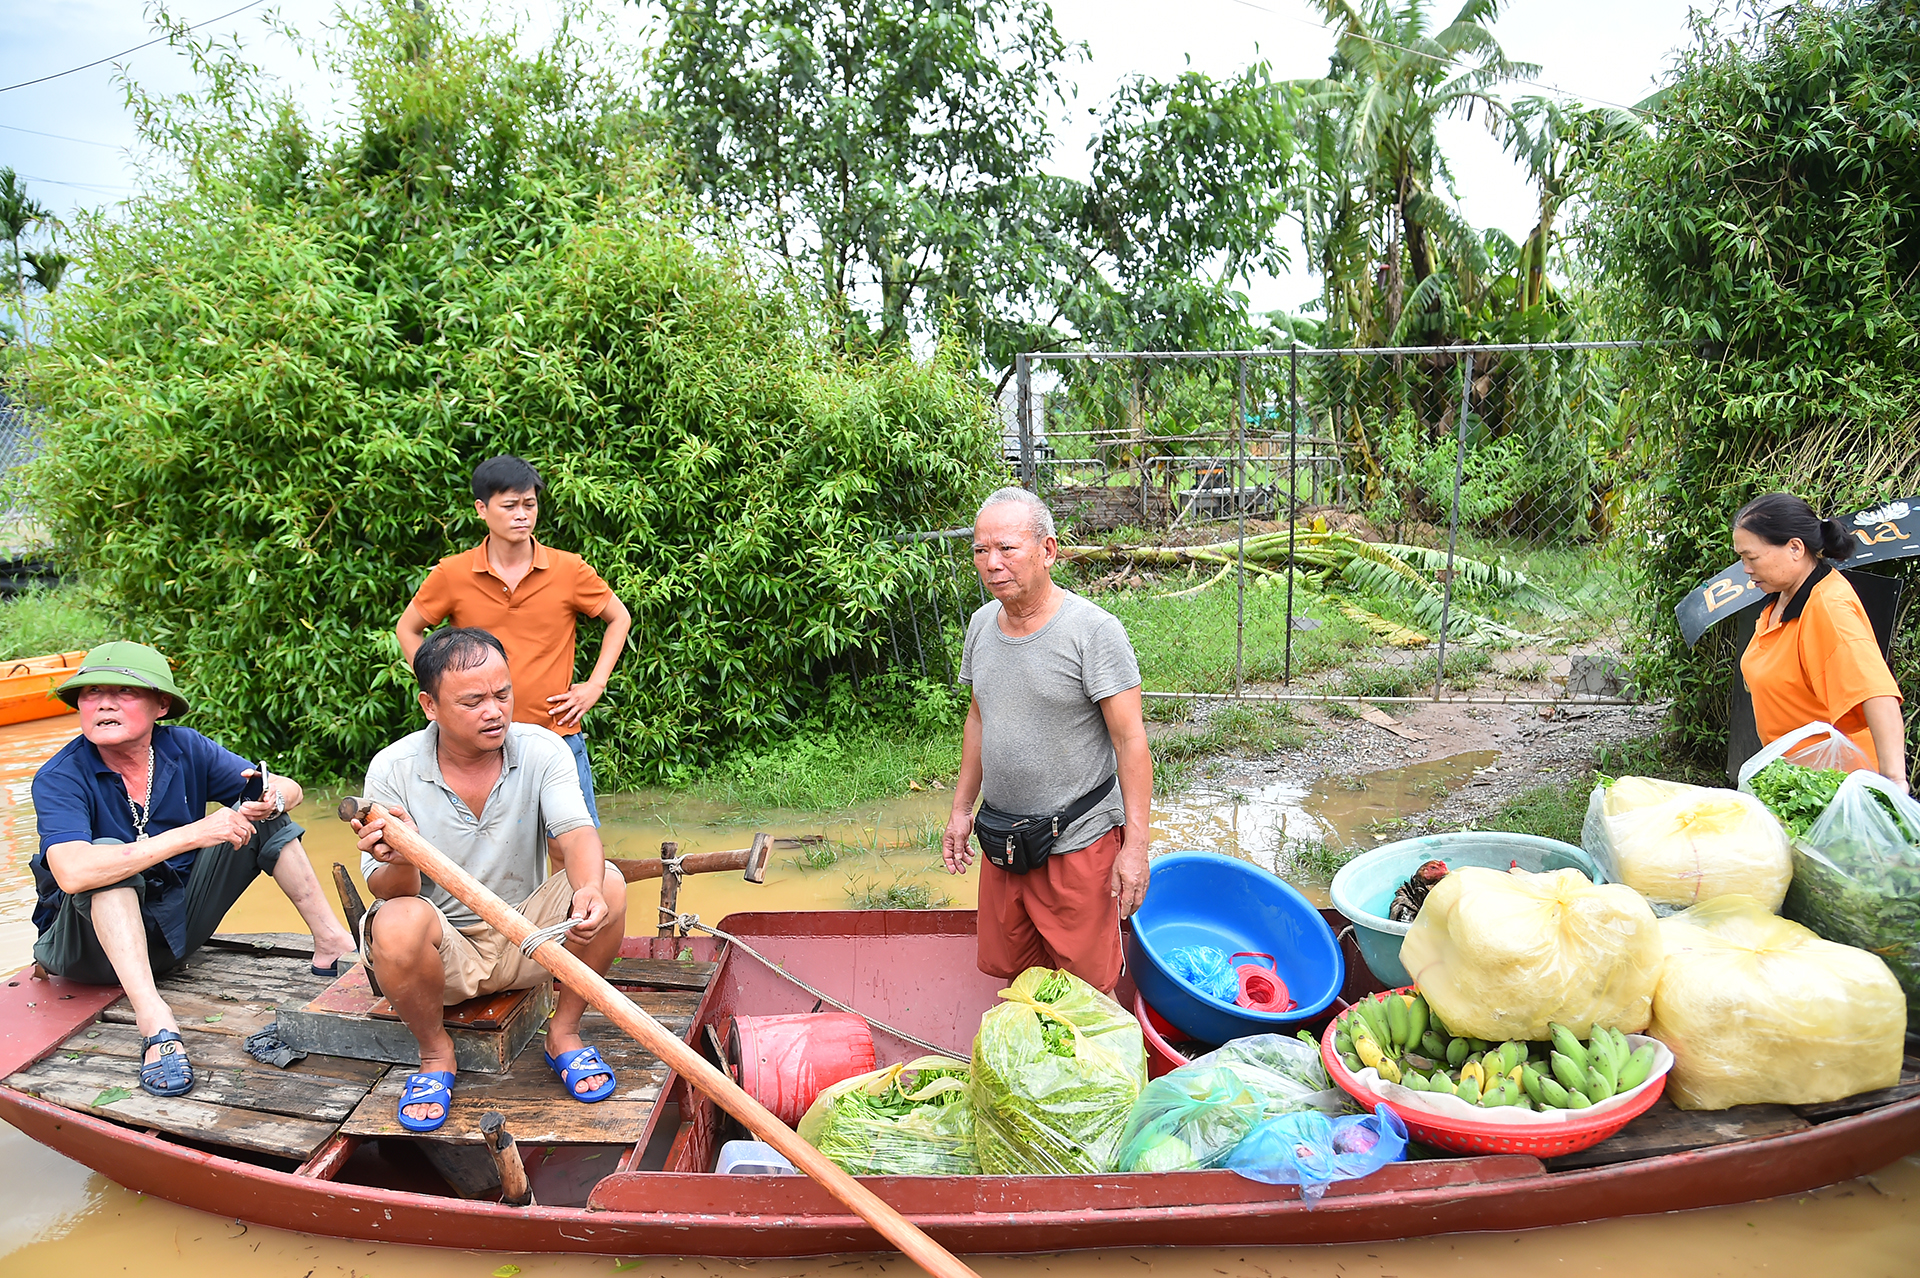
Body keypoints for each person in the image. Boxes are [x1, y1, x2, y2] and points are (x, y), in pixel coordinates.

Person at [29, 642, 357, 1098]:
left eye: (122, 692)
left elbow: (286, 789)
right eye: (91, 693)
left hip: (174, 930)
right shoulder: (60, 776)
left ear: (161, 705)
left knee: (260, 814)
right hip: (91, 953)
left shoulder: (183, 746)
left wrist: (271, 797)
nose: (103, 703)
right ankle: (155, 1021)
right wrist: (194, 833)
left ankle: (333, 944)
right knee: (107, 856)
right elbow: (72, 873)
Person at [352, 627, 628, 1133]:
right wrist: (401, 856)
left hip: (531, 941)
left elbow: (577, 831)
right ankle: (436, 1053)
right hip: (446, 958)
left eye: (502, 694)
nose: (494, 711)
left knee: (606, 881)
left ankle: (563, 1033)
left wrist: (585, 888)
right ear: (429, 705)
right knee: (395, 921)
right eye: (473, 701)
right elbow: (391, 891)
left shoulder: (544, 749)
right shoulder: (392, 768)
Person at [940, 487, 1152, 994]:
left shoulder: (1094, 632)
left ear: (1048, 551)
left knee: (1084, 988)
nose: (992, 563)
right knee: (1016, 976)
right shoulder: (980, 626)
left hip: (1077, 843)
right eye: (980, 550)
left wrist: (1137, 847)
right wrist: (961, 810)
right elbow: (978, 718)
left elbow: (1131, 741)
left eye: (1007, 548)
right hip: (1003, 842)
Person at [396, 455, 633, 825]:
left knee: (571, 845)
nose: (522, 514)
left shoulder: (568, 569)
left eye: (530, 504)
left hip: (556, 734)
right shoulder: (452, 574)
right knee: (482, 844)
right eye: (509, 505)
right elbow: (408, 628)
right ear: (481, 509)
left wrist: (595, 685)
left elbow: (619, 617)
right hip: (478, 744)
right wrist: (440, 689)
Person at [1734, 492, 1907, 788]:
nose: (1746, 569)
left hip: (1839, 789)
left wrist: (1893, 782)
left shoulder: (1828, 607)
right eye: (1742, 558)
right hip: (1794, 783)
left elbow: (1877, 693)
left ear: (1795, 548)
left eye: (1751, 557)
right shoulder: (1781, 597)